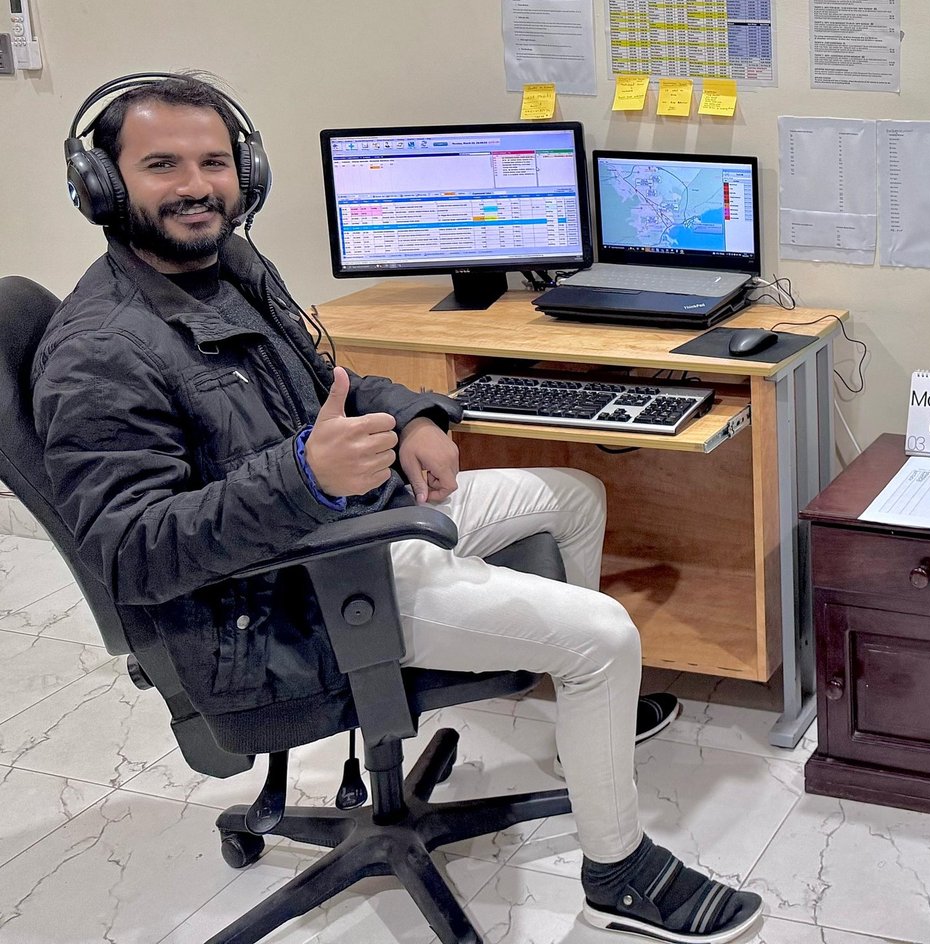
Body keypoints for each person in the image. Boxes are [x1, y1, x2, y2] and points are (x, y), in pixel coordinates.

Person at [32, 73, 763, 944]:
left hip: (346, 525)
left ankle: (582, 709)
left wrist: (418, 413)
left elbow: (324, 375)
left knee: (571, 496)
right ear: (102, 185)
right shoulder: (98, 351)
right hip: (279, 600)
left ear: (247, 174)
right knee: (605, 635)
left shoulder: (226, 266)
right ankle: (619, 872)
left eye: (214, 162)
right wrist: (305, 476)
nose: (196, 186)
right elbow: (131, 555)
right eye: (161, 165)